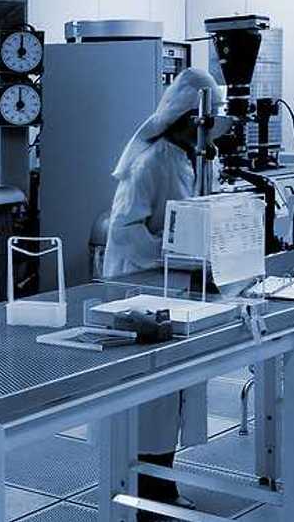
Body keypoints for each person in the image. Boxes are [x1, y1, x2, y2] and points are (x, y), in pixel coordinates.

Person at [102, 67, 220, 518]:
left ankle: (159, 485)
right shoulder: (150, 161)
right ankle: (145, 491)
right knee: (151, 400)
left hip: (170, 286)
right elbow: (126, 229)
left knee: (173, 394)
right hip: (140, 288)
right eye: (207, 122)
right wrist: (176, 256)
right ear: (189, 119)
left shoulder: (188, 157)